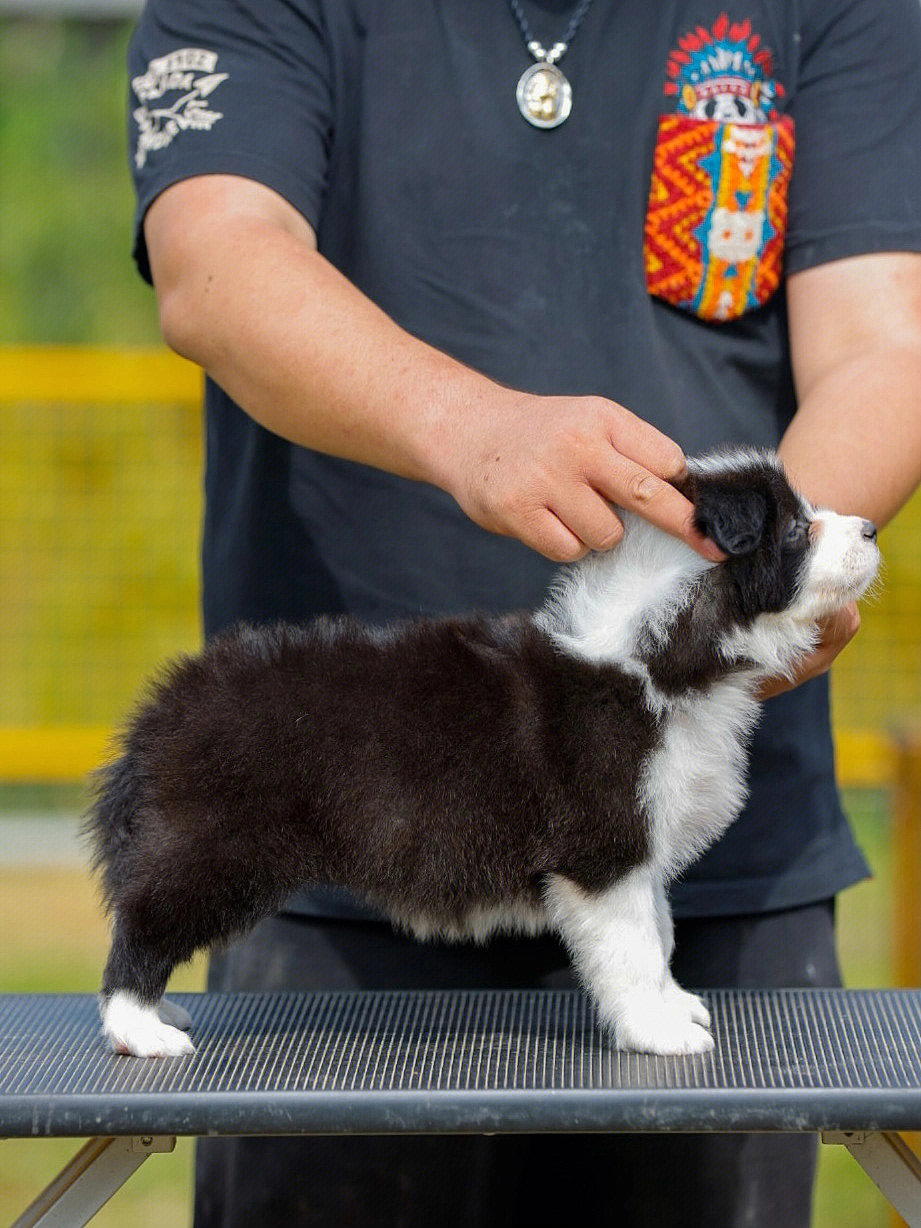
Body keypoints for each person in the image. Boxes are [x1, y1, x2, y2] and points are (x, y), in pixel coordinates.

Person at [126, 1, 921, 1224]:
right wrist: (467, 424)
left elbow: (886, 341)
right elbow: (214, 260)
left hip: (720, 887)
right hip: (350, 835)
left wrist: (775, 581)